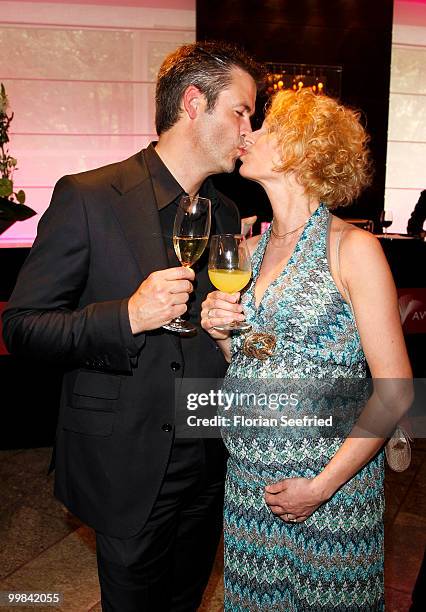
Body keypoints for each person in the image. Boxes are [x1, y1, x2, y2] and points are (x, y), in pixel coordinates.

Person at [2, 41, 262, 611]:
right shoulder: (89, 197)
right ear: (194, 103)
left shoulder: (224, 211)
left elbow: (216, 336)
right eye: (241, 111)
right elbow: (22, 327)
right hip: (126, 464)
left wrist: (226, 335)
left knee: (185, 600)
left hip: (208, 458)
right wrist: (127, 317)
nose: (249, 127)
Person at [201, 89, 413, 610]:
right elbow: (249, 368)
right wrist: (222, 336)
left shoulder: (353, 249)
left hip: (330, 492)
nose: (247, 134)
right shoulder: (246, 250)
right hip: (251, 485)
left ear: (303, 150)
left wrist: (320, 487)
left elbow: (397, 390)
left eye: (266, 128)